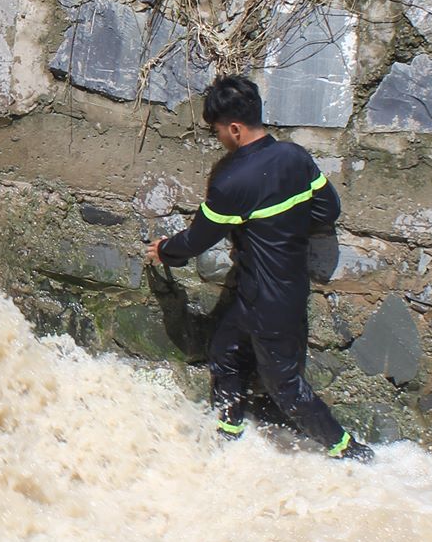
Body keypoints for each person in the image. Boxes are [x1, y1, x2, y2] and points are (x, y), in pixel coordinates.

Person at [148, 75, 372, 462]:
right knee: (224, 351)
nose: (218, 138)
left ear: (234, 128)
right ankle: (229, 428)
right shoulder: (295, 157)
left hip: (268, 303)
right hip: (271, 290)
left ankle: (349, 450)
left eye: (218, 130)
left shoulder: (231, 182)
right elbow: (327, 209)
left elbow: (197, 240)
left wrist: (164, 250)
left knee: (285, 387)